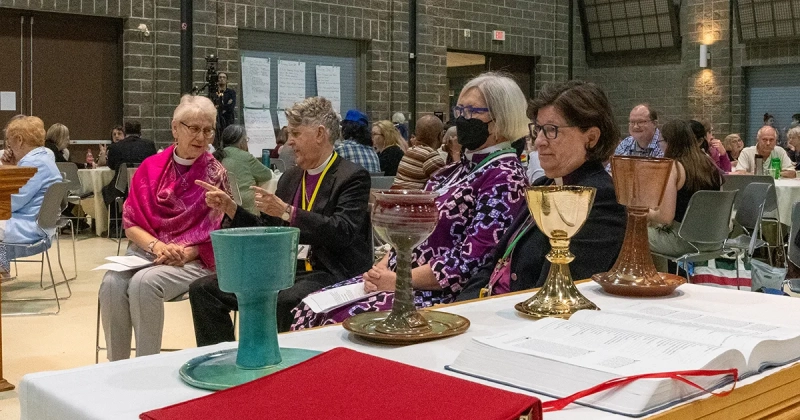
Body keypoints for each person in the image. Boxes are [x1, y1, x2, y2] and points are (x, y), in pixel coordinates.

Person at [291, 72, 529, 329]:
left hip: (437, 291)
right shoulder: (453, 169)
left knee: (333, 323)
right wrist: (380, 268)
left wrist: (397, 279)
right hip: (397, 275)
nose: (461, 119)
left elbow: (473, 259)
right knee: (309, 306)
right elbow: (409, 232)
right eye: (458, 110)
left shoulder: (505, 177)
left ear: (499, 119)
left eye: (471, 111)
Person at [190, 96, 372, 340]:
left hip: (328, 270)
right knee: (204, 289)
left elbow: (342, 232)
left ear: (320, 134)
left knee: (285, 300)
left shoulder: (352, 177)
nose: (289, 143)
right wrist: (232, 209)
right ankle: (222, 362)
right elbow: (267, 230)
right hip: (283, 268)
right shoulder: (290, 178)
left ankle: (281, 369)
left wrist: (288, 212)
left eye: (295, 134)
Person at [457, 80, 627, 299]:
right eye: (538, 129)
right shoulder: (543, 186)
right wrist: (463, 309)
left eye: (551, 131)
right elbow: (494, 263)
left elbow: (556, 291)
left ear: (591, 138)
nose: (539, 142)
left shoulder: (601, 197)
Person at [99, 95, 229, 361]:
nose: (201, 137)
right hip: (148, 249)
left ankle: (148, 367)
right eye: (193, 128)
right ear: (174, 129)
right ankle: (116, 366)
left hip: (192, 259)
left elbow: (217, 232)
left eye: (207, 130)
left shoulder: (216, 175)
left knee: (144, 283)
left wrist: (184, 252)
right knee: (111, 283)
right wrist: (158, 246)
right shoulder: (150, 168)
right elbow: (131, 224)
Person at [648, 119, 723, 272]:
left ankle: (657, 283)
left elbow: (665, 217)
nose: (659, 145)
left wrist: (638, 211)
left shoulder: (674, 167)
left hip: (684, 242)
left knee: (628, 232)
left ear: (670, 143)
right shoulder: (710, 164)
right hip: (714, 240)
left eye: (660, 141)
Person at [0, 116, 63, 278]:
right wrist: (12, 168)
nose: (8, 147)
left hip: (30, 228)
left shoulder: (32, 164)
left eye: (9, 142)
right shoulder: (43, 159)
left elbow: (10, 202)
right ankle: (2, 267)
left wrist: (9, 170)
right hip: (38, 224)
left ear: (19, 140)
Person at [101, 120, 158, 236]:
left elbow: (111, 165)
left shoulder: (116, 147)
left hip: (121, 187)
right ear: (140, 131)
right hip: (145, 187)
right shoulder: (149, 145)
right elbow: (154, 164)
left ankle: (115, 226)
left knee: (107, 191)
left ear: (125, 132)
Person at [212, 124, 273, 215]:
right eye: (246, 140)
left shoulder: (215, 156)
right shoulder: (245, 157)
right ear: (242, 142)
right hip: (247, 211)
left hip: (220, 209)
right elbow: (267, 175)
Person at [392, 115, 445, 190]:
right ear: (440, 136)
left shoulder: (410, 151)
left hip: (398, 196)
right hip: (414, 199)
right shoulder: (430, 156)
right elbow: (446, 184)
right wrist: (454, 153)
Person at [608, 104, 663, 171]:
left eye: (640, 122)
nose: (635, 126)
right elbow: (611, 171)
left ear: (654, 124)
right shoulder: (626, 143)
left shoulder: (664, 145)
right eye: (632, 122)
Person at [212, 71, 236, 139]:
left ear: (226, 80)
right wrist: (226, 105)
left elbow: (231, 107)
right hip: (217, 120)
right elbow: (212, 106)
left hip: (228, 120)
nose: (222, 79)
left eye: (224, 77)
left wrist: (219, 107)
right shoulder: (214, 93)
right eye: (220, 77)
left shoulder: (231, 93)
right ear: (218, 80)